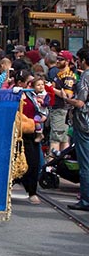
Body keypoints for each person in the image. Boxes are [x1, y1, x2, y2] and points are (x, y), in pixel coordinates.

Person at [64, 47, 89, 211]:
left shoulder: (85, 78)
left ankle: (86, 199)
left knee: (85, 162)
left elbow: (80, 103)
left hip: (84, 124)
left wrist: (66, 98)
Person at [14, 69, 42, 205]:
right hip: (16, 134)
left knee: (33, 162)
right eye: (29, 83)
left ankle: (32, 191)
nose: (31, 85)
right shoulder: (12, 95)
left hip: (31, 133)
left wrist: (37, 120)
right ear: (21, 83)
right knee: (14, 163)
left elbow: (39, 111)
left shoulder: (32, 96)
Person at [49, 50, 77, 154]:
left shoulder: (68, 76)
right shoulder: (60, 73)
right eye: (57, 58)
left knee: (56, 139)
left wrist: (52, 89)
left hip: (61, 110)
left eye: (61, 59)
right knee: (64, 139)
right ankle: (61, 164)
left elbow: (67, 95)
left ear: (67, 61)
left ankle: (50, 166)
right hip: (58, 109)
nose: (58, 61)